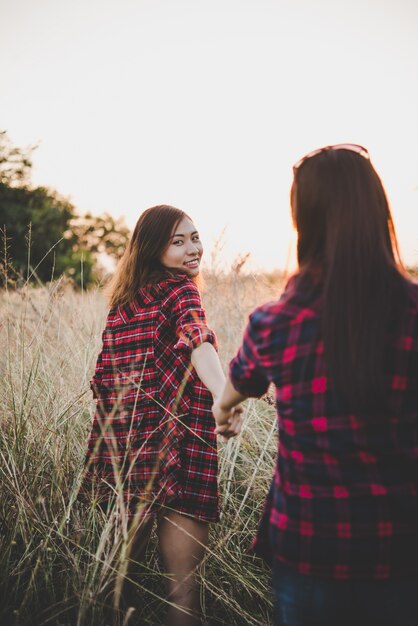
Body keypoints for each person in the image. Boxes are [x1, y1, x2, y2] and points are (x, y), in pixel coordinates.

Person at [212, 145, 418, 626]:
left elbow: (236, 386)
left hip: (309, 548)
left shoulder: (274, 322)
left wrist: (226, 413)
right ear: (377, 212)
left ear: (302, 219)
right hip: (403, 550)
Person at [84, 204, 242, 625]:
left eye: (194, 237)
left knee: (115, 586)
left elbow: (107, 384)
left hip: (126, 455)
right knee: (181, 594)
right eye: (178, 242)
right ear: (153, 249)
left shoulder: (122, 305)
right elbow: (199, 339)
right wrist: (222, 394)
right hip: (180, 442)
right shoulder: (180, 290)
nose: (194, 249)